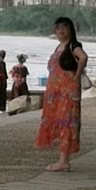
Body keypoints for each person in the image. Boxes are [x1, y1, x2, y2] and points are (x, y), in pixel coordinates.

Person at [35, 19, 88, 168]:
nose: (60, 31)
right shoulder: (59, 46)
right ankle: (62, 158)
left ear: (71, 29)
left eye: (64, 27)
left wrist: (77, 76)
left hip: (68, 90)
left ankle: (63, 161)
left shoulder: (73, 45)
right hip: (55, 92)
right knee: (59, 120)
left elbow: (83, 57)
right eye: (57, 28)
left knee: (66, 121)